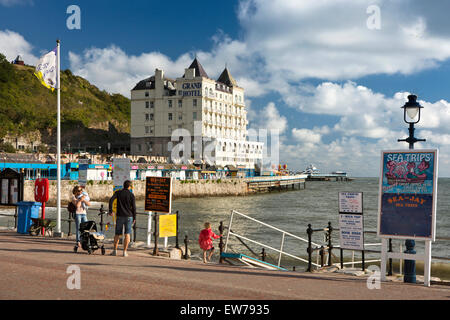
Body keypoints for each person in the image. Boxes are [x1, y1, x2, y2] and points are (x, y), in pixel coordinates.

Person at [108, 180, 136, 257]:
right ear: (129, 187)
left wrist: (110, 210)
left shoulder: (118, 193)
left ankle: (115, 251)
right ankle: (124, 252)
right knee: (127, 234)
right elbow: (134, 207)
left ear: (123, 185)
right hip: (128, 216)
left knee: (117, 234)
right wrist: (134, 217)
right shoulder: (131, 195)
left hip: (119, 216)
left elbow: (111, 200)